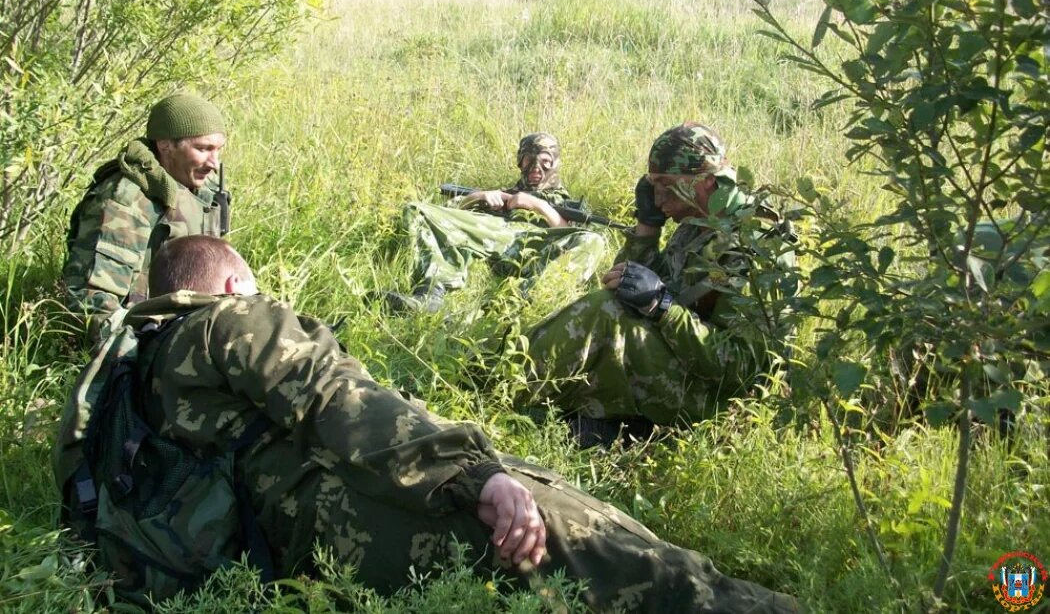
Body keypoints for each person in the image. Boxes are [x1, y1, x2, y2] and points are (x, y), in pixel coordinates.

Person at [54, 235, 798, 612]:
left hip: (271, 543)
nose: (262, 293)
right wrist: (475, 472)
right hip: (345, 512)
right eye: (253, 285)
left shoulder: (134, 362)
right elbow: (336, 394)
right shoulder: (228, 321)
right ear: (226, 284)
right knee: (589, 538)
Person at [518, 123, 799, 447]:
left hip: (724, 401)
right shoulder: (697, 224)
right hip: (687, 363)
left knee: (605, 313)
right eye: (653, 186)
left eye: (666, 186)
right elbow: (630, 282)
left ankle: (504, 388)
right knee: (612, 305)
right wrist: (647, 229)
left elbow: (742, 368)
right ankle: (521, 387)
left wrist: (664, 307)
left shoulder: (758, 246)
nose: (658, 197)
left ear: (707, 182)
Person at [62, 93, 230, 335]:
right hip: (145, 333)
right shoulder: (125, 202)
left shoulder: (205, 188)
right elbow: (91, 304)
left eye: (218, 149)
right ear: (166, 146)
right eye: (203, 149)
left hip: (194, 321)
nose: (214, 162)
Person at [385, 133, 606, 313]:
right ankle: (430, 292)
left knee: (595, 240)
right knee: (416, 210)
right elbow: (449, 214)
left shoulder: (570, 205)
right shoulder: (504, 194)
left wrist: (539, 206)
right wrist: (481, 196)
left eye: (546, 162)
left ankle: (519, 303)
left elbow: (578, 239)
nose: (536, 169)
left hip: (537, 246)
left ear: (555, 164)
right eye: (529, 160)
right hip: (494, 234)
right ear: (520, 162)